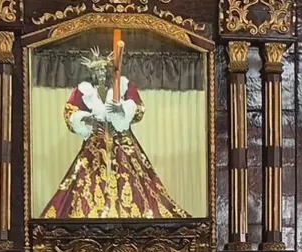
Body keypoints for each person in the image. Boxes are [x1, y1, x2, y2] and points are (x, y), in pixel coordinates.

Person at [40, 47, 190, 220]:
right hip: (95, 142)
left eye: (104, 70)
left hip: (122, 141)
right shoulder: (83, 90)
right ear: (93, 73)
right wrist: (85, 118)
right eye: (98, 71)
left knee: (135, 178)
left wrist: (123, 109)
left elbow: (139, 107)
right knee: (85, 178)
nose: (102, 74)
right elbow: (70, 111)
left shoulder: (123, 86)